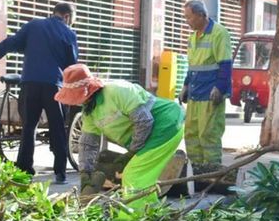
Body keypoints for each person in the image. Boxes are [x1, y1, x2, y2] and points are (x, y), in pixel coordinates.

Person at [54, 64, 184, 210]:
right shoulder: (89, 112)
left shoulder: (117, 91)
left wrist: (132, 152)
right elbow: (88, 144)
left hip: (166, 124)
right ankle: (150, 212)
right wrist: (86, 171)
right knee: (142, 177)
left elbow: (144, 121)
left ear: (89, 89)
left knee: (133, 175)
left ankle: (134, 218)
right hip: (153, 133)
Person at [0, 2, 78, 184]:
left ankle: (24, 170)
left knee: (29, 127)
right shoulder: (68, 33)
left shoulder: (33, 25)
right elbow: (71, 66)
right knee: (57, 129)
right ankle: (60, 173)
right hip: (54, 86)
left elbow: (12, 43)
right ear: (67, 17)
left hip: (30, 83)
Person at [178, 0, 232, 177]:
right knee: (192, 135)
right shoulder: (192, 37)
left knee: (208, 135)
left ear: (201, 15)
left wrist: (220, 88)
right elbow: (192, 66)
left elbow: (225, 64)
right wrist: (185, 86)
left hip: (210, 93)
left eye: (189, 18)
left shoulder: (219, 33)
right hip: (195, 93)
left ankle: (212, 173)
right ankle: (196, 173)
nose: (187, 22)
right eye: (185, 18)